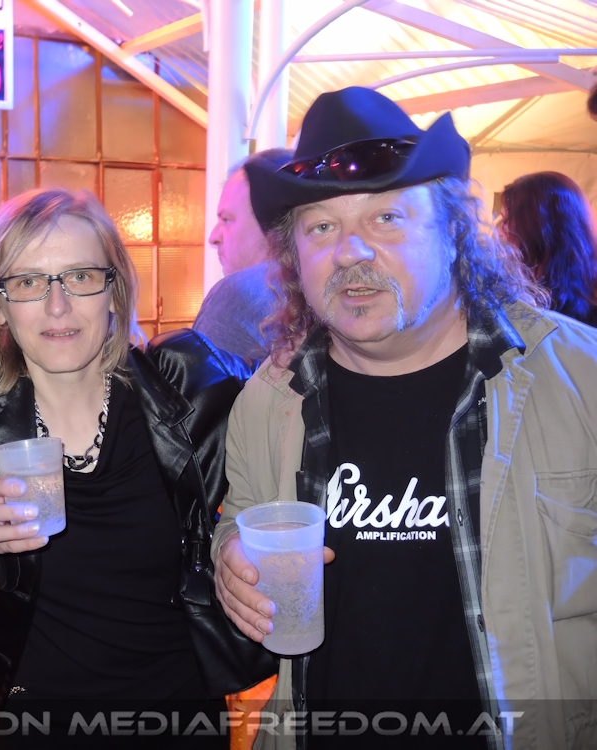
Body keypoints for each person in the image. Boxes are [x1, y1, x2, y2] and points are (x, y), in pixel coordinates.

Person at [212, 86, 597, 750]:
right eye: (320, 227)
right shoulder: (270, 401)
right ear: (294, 257)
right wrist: (230, 560)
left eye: (386, 217)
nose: (350, 252)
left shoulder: (579, 381)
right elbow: (242, 515)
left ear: (452, 231)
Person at [0, 189, 273, 747]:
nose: (57, 306)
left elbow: (296, 409)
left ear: (114, 290)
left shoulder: (188, 391)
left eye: (80, 277)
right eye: (28, 282)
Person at [193, 148, 292, 362]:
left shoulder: (236, 294)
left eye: (227, 219)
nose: (213, 237)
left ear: (272, 224)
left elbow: (195, 382)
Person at [498, 171, 597, 326]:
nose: (499, 231)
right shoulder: (513, 286)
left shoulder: (589, 307)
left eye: (506, 220)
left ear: (536, 228)